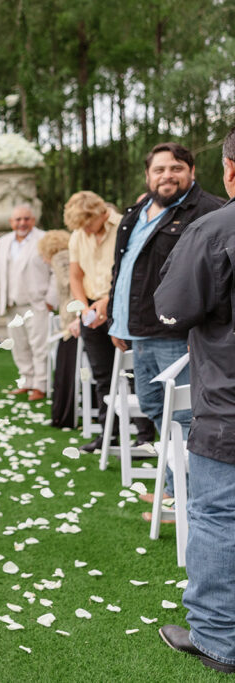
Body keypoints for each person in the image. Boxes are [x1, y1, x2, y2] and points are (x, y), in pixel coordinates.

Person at [155, 125, 235, 675]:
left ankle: (215, 637)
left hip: (229, 405)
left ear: (229, 170)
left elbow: (171, 308)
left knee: (216, 515)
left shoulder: (215, 229)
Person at [107, 143, 224, 513]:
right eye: (159, 169)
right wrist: (116, 317)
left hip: (179, 336)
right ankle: (175, 487)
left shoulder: (210, 211)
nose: (167, 175)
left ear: (192, 171)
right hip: (137, 332)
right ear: (148, 175)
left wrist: (200, 331)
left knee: (187, 416)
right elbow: (121, 271)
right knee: (157, 408)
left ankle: (190, 500)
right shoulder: (136, 211)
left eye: (176, 168)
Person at [63, 191, 154, 452]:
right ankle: (108, 434)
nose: (86, 231)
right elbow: (76, 277)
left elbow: (131, 270)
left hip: (122, 306)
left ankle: (145, 436)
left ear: (100, 213)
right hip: (91, 310)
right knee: (102, 375)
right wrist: (82, 308)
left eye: (87, 224)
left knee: (132, 371)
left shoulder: (126, 225)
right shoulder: (78, 235)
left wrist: (107, 302)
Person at [0, 204, 53, 401]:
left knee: (39, 346)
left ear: (33, 220)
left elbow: (57, 272)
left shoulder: (45, 239)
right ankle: (27, 382)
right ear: (11, 222)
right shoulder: (2, 242)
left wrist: (51, 300)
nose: (22, 223)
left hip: (37, 303)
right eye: (18, 219)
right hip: (11, 303)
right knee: (19, 345)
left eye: (26, 219)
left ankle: (41, 385)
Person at [38, 230, 76, 426]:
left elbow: (70, 288)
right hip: (71, 321)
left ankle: (64, 415)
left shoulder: (61, 259)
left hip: (72, 323)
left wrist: (73, 318)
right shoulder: (68, 255)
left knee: (65, 365)